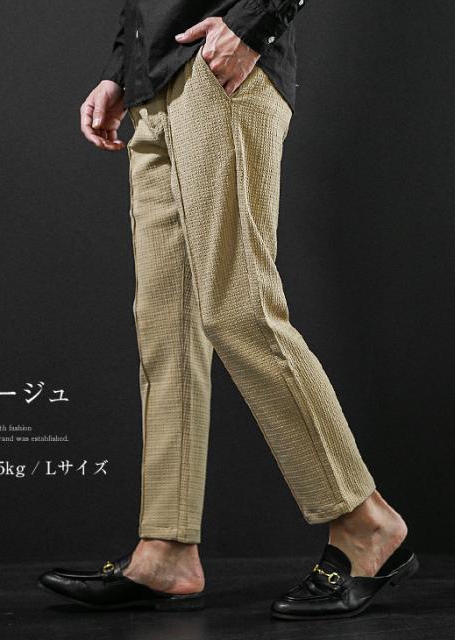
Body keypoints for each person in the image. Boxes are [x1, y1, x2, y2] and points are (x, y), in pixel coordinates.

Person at [38, 0, 418, 618]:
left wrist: (253, 22)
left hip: (220, 70)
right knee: (165, 329)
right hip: (154, 84)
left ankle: (367, 523)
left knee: (240, 309)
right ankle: (166, 549)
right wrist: (122, 69)